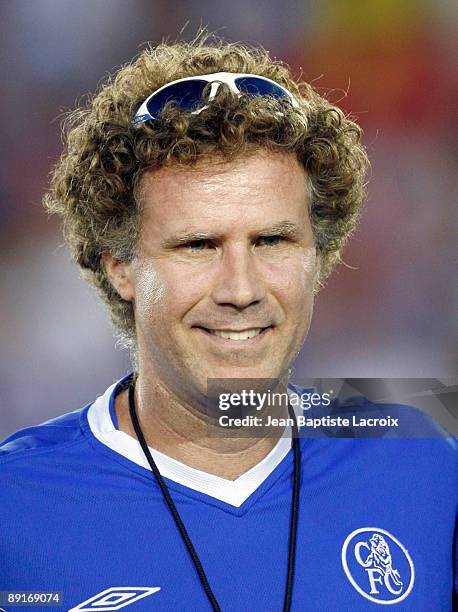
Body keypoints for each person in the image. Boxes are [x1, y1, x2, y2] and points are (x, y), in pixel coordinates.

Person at [0, 32, 456, 612]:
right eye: (198, 245)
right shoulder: (15, 507)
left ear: (320, 252)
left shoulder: (427, 465)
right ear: (120, 266)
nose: (241, 289)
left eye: (272, 240)